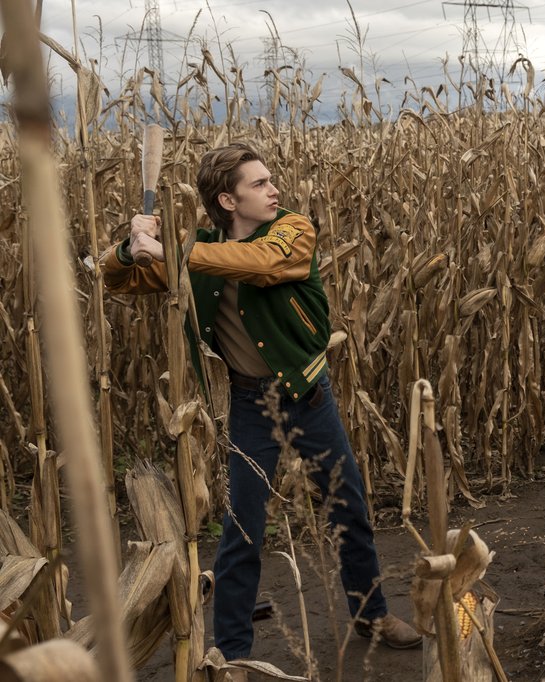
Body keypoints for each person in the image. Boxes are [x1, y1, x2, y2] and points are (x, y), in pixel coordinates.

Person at [101, 142, 421, 664]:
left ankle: (374, 614)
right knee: (242, 530)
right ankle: (231, 654)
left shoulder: (292, 232)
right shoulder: (197, 254)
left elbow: (262, 263)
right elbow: (116, 280)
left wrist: (172, 253)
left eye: (270, 180)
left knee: (348, 510)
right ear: (228, 202)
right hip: (251, 407)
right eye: (259, 184)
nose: (274, 190)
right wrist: (132, 245)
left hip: (309, 396)